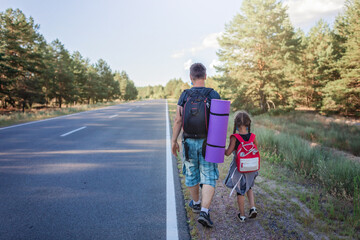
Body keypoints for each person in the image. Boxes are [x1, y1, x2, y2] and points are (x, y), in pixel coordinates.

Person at [171, 63, 221, 228]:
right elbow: (219, 121)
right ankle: (205, 212)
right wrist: (219, 146)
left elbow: (178, 119)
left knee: (191, 172)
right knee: (209, 174)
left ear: (191, 78)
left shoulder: (184, 95)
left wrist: (174, 141)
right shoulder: (213, 94)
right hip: (208, 141)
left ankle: (196, 202)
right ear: (205, 76)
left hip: (188, 141)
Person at [224, 111, 258, 222]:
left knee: (240, 190)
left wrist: (220, 149)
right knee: (249, 187)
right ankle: (252, 208)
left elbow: (228, 153)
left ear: (236, 124)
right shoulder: (253, 137)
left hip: (239, 168)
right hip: (251, 167)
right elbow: (255, 150)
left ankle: (242, 215)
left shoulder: (235, 138)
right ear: (248, 124)